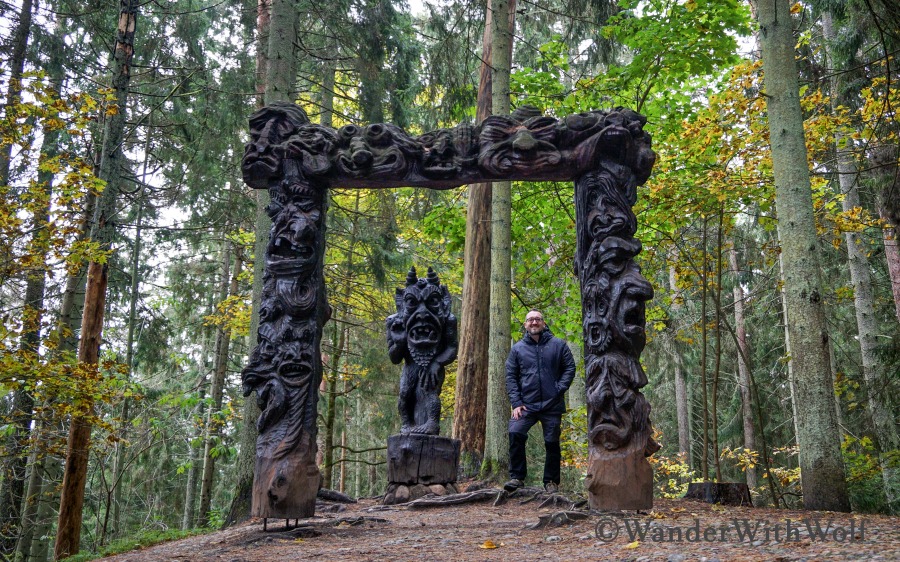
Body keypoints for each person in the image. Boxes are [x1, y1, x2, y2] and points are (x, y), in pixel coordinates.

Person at [504, 310, 576, 493]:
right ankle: (517, 478)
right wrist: (516, 402)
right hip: (526, 404)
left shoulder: (558, 345)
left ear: (544, 323)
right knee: (515, 432)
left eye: (537, 319)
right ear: (525, 324)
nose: (534, 322)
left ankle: (551, 481)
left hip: (552, 404)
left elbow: (570, 367)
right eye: (530, 320)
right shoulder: (517, 349)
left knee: (551, 442)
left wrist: (559, 389)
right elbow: (511, 377)